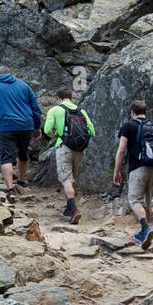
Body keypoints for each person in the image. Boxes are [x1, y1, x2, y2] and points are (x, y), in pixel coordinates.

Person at [0, 65, 42, 203]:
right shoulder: (24, 86)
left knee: (6, 157)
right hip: (26, 125)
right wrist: (37, 127)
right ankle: (22, 180)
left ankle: (10, 188)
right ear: (10, 73)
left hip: (6, 126)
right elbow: (36, 109)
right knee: (23, 152)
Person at [113, 99, 153, 249]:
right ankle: (145, 234)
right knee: (147, 203)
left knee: (135, 201)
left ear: (132, 112)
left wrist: (116, 171)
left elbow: (122, 150)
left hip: (137, 169)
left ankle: (145, 228)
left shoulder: (128, 126)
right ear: (145, 112)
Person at [43, 84, 95, 224]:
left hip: (64, 146)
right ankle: (68, 208)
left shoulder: (55, 110)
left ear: (58, 98)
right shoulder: (81, 111)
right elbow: (92, 132)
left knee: (66, 179)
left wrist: (56, 136)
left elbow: (47, 130)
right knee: (73, 179)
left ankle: (74, 209)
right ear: (71, 98)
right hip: (79, 149)